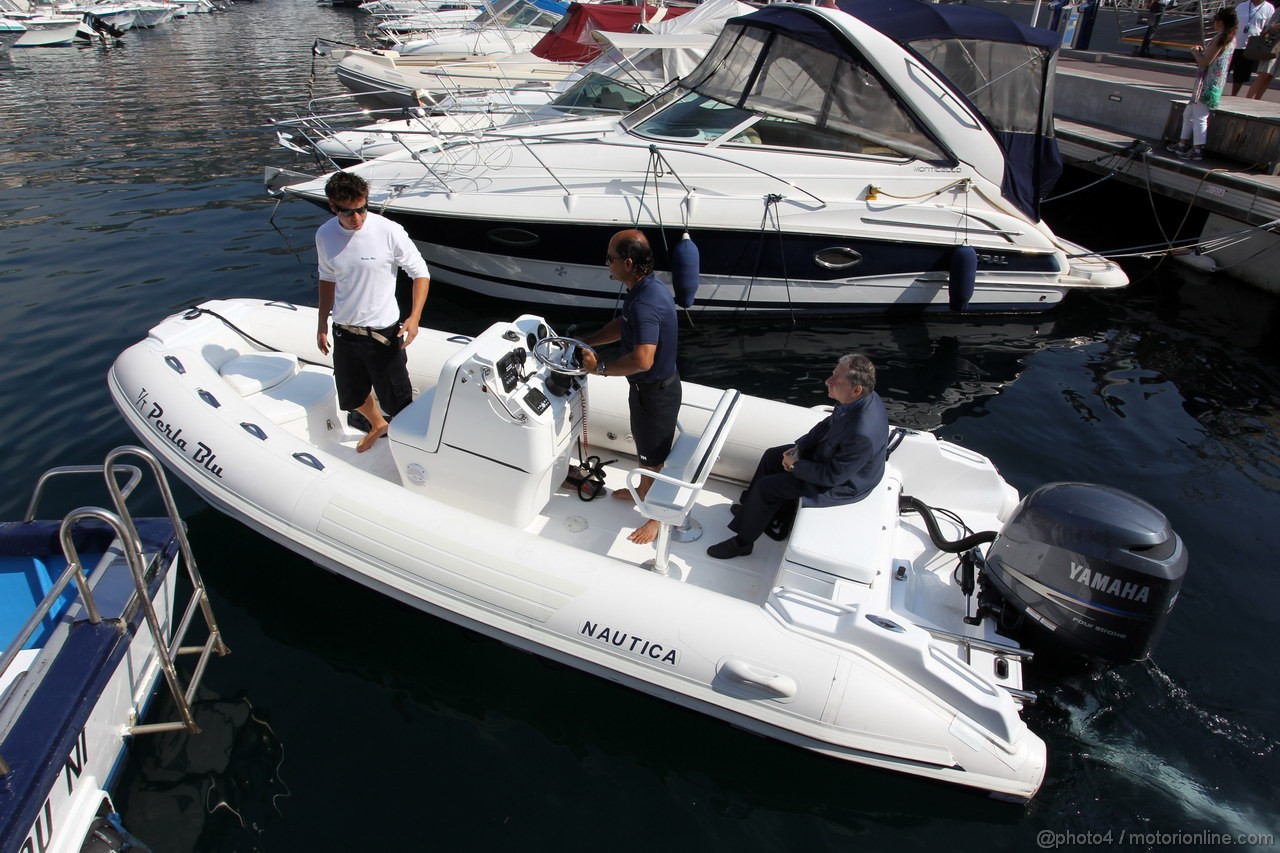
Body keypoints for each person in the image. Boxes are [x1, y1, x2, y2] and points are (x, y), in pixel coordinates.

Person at [706, 354, 889, 560]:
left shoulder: (862, 433)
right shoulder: (856, 400)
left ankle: (743, 542)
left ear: (856, 389)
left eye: (836, 380)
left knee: (768, 487)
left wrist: (796, 466)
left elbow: (832, 477)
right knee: (771, 456)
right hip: (831, 457)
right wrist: (798, 449)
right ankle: (751, 510)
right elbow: (827, 425)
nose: (828, 381)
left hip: (843, 483)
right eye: (832, 375)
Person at [578, 229, 681, 546]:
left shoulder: (645, 303)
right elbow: (625, 325)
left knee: (656, 459)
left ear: (629, 262)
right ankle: (644, 490)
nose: (607, 264)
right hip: (648, 391)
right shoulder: (644, 288)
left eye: (610, 259)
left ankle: (658, 518)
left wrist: (600, 370)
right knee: (647, 451)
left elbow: (643, 359)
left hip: (655, 395)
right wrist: (588, 341)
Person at [316, 171, 430, 453]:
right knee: (352, 395)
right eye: (347, 212)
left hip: (383, 334)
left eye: (362, 209)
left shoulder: (388, 230)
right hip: (344, 331)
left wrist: (414, 318)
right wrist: (321, 324)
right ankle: (378, 424)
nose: (356, 217)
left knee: (398, 400)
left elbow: (420, 273)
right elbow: (326, 277)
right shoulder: (325, 234)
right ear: (333, 207)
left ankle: (406, 446)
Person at [1168, 7, 1238, 161]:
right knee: (1189, 113)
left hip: (1207, 84)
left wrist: (1195, 52)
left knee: (1199, 116)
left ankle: (1197, 150)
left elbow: (1205, 61)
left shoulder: (1220, 38)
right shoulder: (1231, 38)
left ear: (1220, 22)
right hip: (1213, 82)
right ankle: (1182, 143)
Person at [1231, 0, 1273, 96]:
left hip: (1250, 46)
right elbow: (1233, 23)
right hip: (1235, 43)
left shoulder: (1269, 8)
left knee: (1241, 74)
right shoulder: (1242, 6)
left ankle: (1234, 94)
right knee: (1225, 69)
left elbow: (1267, 28)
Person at [1246, 15, 1280, 97]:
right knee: (1264, 73)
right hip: (1273, 46)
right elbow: (1269, 28)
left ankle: (1257, 99)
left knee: (1270, 77)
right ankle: (1248, 98)